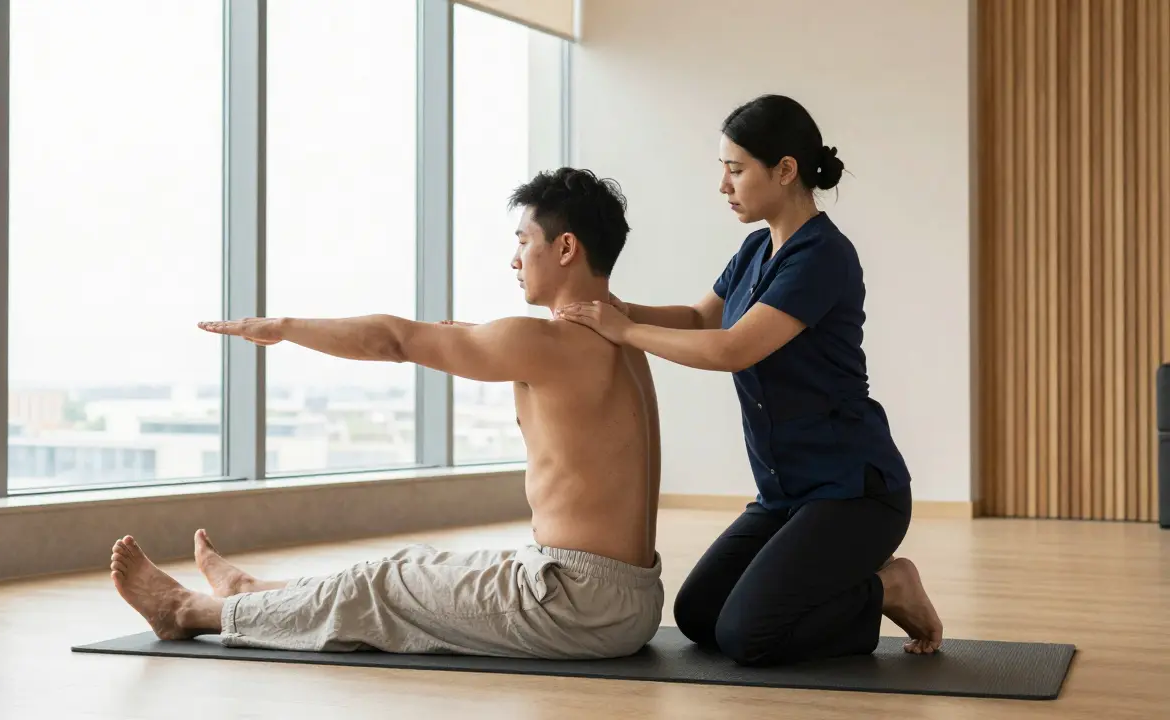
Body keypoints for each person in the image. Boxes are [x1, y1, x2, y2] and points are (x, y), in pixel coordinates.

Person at [108, 167, 665, 660]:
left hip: (576, 604)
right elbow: (476, 340)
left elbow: (393, 340)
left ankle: (186, 611)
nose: (515, 259)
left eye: (524, 241)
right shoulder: (621, 335)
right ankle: (251, 591)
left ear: (565, 248)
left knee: (379, 589)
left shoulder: (547, 341)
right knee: (415, 562)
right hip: (621, 595)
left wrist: (283, 328)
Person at [556, 94, 943, 667]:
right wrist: (615, 308)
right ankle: (850, 588)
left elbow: (733, 348)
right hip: (784, 495)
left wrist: (625, 332)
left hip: (854, 494)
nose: (723, 186)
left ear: (785, 170)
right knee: (700, 615)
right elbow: (696, 319)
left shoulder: (823, 256)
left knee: (748, 636)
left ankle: (888, 588)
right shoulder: (756, 248)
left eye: (735, 170)